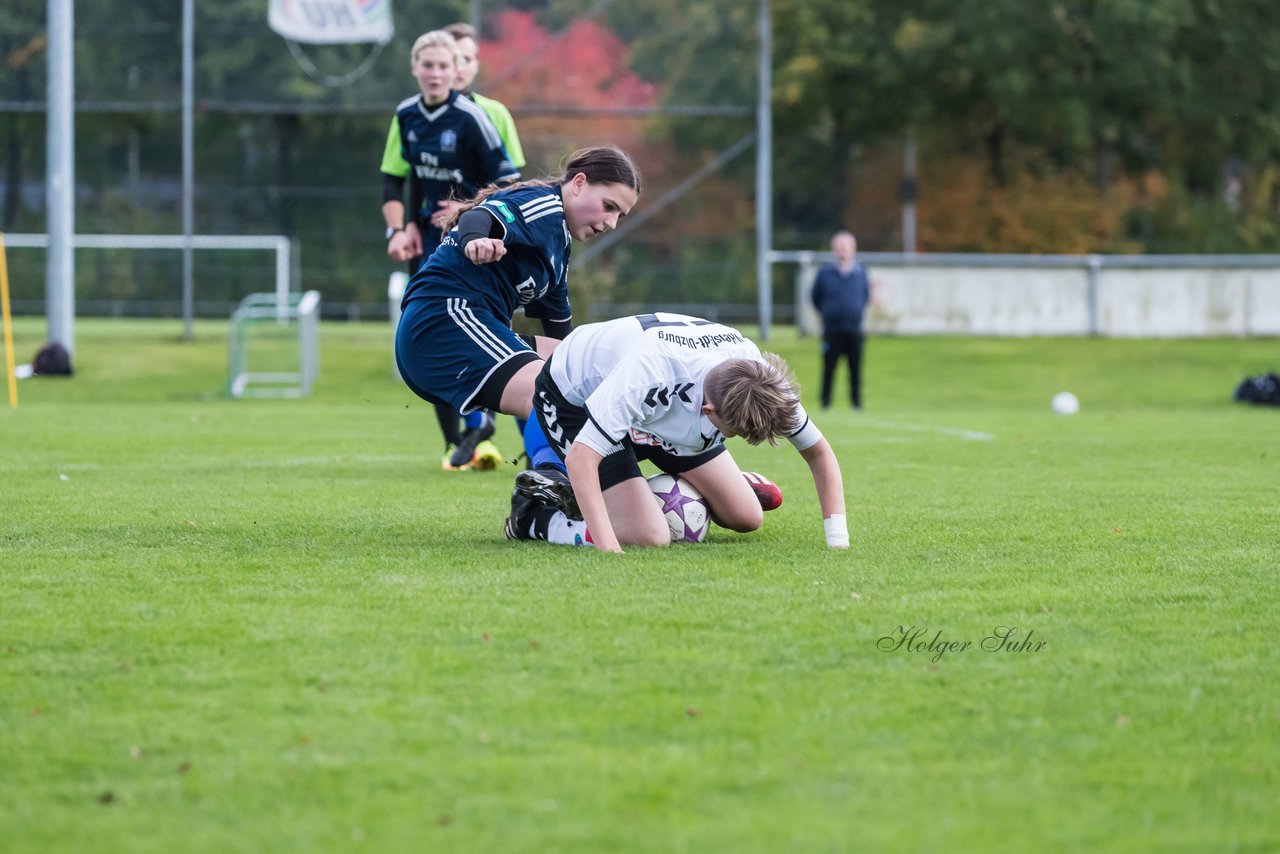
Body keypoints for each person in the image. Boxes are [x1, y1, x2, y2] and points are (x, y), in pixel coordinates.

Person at [505, 313, 850, 554]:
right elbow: (582, 457)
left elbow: (819, 453)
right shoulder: (646, 377)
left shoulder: (759, 383)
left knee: (747, 517)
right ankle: (535, 518)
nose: (735, 438)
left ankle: (721, 486)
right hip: (576, 399)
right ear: (709, 411)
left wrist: (838, 540)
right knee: (648, 535)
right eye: (731, 433)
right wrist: (609, 546)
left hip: (667, 409)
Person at [394, 145, 643, 477]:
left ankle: (600, 463)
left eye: (619, 215)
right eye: (608, 206)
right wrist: (475, 241)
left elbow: (566, 344)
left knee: (585, 365)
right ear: (579, 183)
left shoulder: (558, 246)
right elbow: (479, 217)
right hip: (443, 321)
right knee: (551, 387)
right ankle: (548, 483)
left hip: (469, 325)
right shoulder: (544, 206)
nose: (611, 222)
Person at [379, 30, 521, 467]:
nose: (439, 72)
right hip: (429, 243)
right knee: (426, 329)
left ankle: (527, 439)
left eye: (447, 65)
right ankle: (460, 438)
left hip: (474, 243)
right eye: (431, 65)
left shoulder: (477, 116)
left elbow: (511, 182)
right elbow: (396, 179)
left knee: (497, 331)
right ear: (415, 68)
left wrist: (468, 212)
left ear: (460, 70)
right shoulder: (406, 115)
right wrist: (401, 228)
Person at [810, 230, 874, 410]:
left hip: (854, 329)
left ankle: (856, 403)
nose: (842, 251)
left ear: (853, 249)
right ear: (833, 250)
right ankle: (825, 402)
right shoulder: (825, 273)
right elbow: (815, 297)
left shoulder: (861, 272)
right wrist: (828, 313)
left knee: (855, 369)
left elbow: (865, 296)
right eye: (839, 247)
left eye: (845, 247)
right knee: (829, 367)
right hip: (832, 329)